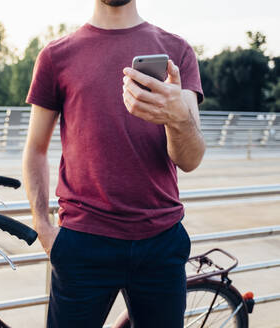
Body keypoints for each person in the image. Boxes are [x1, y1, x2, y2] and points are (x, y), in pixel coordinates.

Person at [22, 0, 205, 327]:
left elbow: (190, 160)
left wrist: (178, 118)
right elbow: (36, 148)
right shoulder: (56, 55)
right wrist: (43, 228)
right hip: (83, 243)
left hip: (160, 243)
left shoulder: (176, 50)